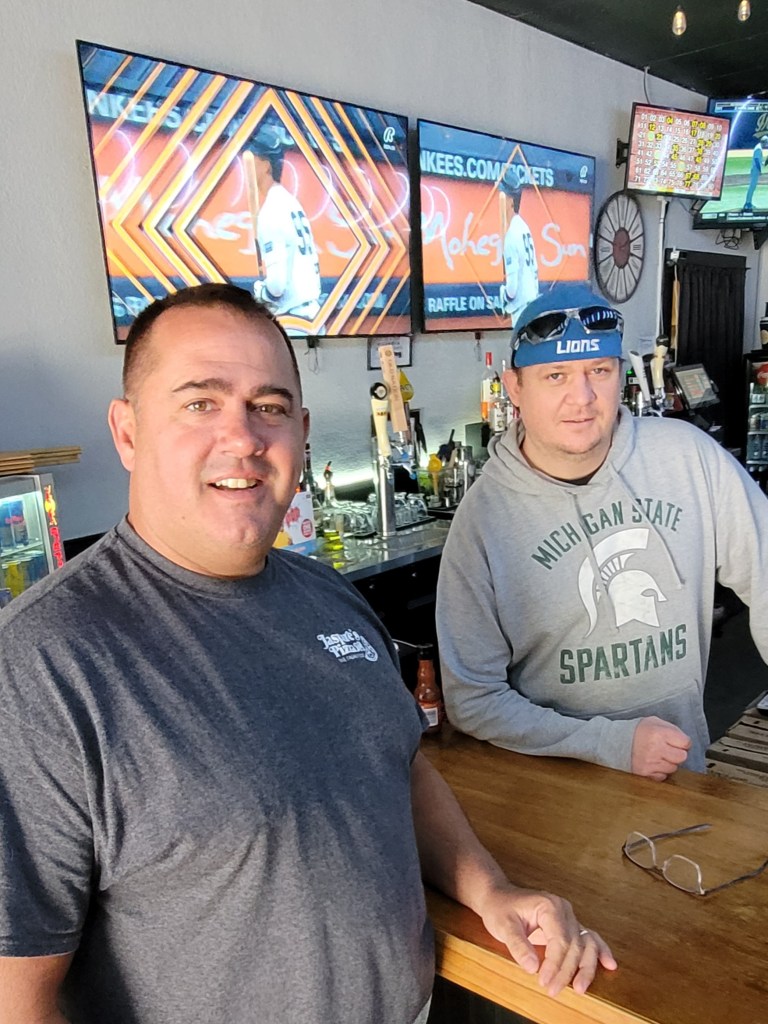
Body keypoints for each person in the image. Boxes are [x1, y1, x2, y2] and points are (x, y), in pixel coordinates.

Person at [0, 284, 615, 1024]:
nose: (243, 437)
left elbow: (399, 767)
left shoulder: (326, 596)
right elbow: (17, 998)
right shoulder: (41, 665)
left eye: (269, 406)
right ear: (127, 432)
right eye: (200, 402)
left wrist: (490, 888)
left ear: (303, 430)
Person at [437, 282, 768, 782]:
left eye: (599, 370)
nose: (583, 397)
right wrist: (606, 742)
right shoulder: (483, 520)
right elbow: (472, 699)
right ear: (515, 388)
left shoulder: (688, 459)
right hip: (554, 791)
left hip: (679, 776)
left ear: (621, 375)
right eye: (556, 375)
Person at [246, 124, 322, 329]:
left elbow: (277, 287)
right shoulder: (290, 202)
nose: (246, 167)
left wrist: (259, 291)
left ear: (266, 165)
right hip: (313, 317)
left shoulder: (271, 211)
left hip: (293, 322)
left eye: (252, 159)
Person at [498, 164, 539, 327]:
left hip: (521, 313)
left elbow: (512, 291)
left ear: (509, 200)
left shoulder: (511, 236)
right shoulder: (523, 227)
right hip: (533, 307)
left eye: (501, 195)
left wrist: (503, 295)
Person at [742, 134, 768, 213]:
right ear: (764, 142)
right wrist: (760, 170)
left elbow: (759, 160)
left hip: (756, 169)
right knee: (752, 187)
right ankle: (747, 203)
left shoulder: (758, 147)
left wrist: (764, 163)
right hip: (755, 170)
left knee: (752, 187)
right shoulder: (758, 149)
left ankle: (749, 202)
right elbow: (756, 161)